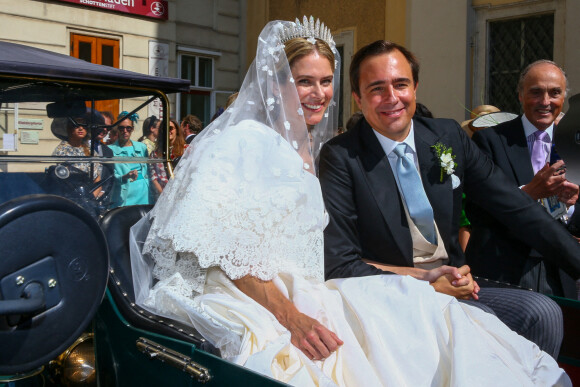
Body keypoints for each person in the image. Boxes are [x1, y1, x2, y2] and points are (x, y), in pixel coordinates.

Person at [129, 19, 570, 386]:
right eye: (304, 81)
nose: (318, 93)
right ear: (273, 84)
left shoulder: (308, 151)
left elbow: (513, 207)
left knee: (517, 320)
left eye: (324, 82)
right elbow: (217, 246)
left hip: (328, 287)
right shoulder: (252, 144)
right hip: (269, 295)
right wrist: (290, 316)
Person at [318, 40, 580, 359]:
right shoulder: (341, 157)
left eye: (401, 84)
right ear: (358, 98)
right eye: (376, 88)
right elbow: (341, 262)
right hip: (387, 293)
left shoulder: (446, 137)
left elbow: (516, 206)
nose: (392, 98)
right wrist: (423, 284)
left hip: (457, 283)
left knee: (542, 314)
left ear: (415, 87)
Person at [466, 60, 580, 298]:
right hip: (505, 269)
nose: (546, 102)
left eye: (555, 93)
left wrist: (570, 207)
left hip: (562, 272)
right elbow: (476, 211)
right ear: (520, 95)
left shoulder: (574, 144)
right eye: (536, 92)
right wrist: (527, 194)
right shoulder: (490, 141)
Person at [108, 111, 152, 207]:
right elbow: (108, 176)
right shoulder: (110, 150)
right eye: (121, 128)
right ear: (117, 129)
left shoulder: (141, 147)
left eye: (128, 128)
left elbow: (148, 170)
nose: (125, 131)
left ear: (132, 129)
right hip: (123, 195)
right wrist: (124, 177)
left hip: (144, 194)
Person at [150, 119, 186, 196]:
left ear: (176, 130)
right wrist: (164, 196)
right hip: (162, 196)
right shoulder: (155, 154)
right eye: (164, 129)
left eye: (170, 128)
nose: (168, 131)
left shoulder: (186, 150)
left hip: (181, 195)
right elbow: (153, 178)